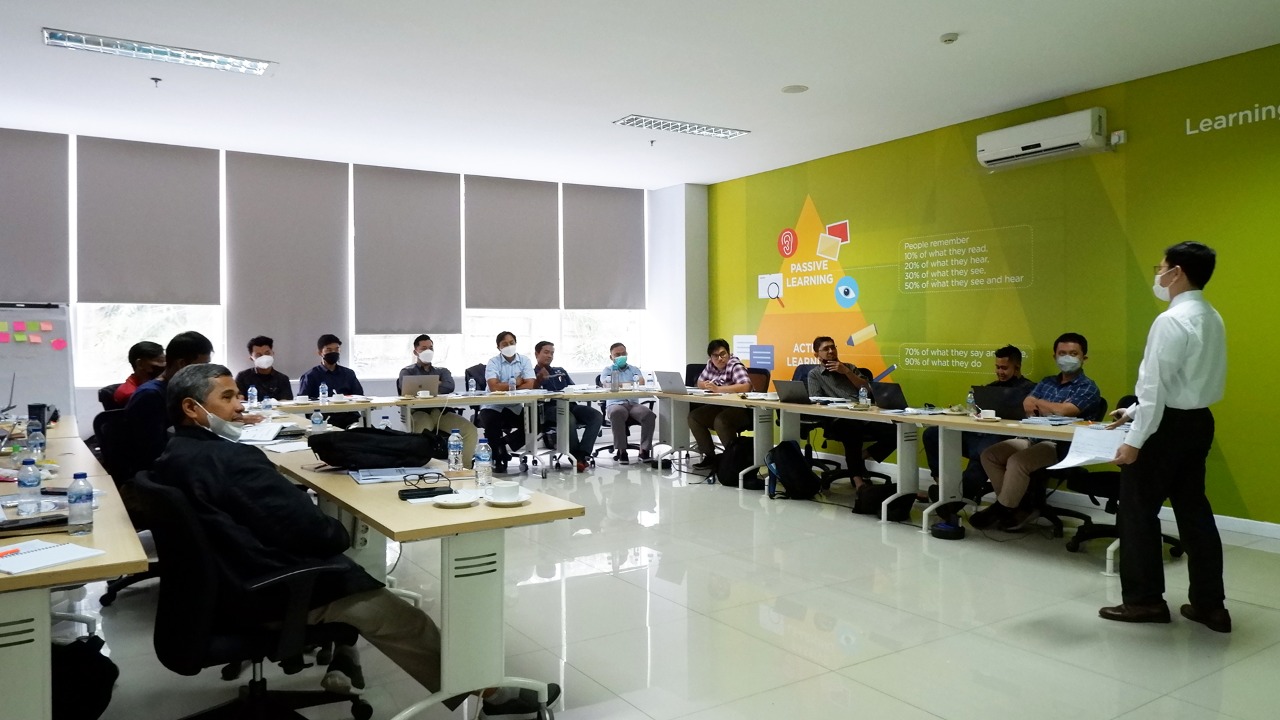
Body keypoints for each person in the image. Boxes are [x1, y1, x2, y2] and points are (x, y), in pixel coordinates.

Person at [153, 363, 559, 714]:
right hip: (266, 589)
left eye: (238, 395)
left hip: (221, 584)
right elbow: (319, 535)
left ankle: (350, 656)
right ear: (192, 407)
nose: (241, 405)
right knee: (402, 618)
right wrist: (332, 526)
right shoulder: (233, 459)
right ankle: (493, 695)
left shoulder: (174, 455)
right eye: (228, 397)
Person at [1099, 242, 1229, 631]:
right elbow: (1184, 382)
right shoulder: (1212, 317)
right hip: (1198, 423)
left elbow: (1155, 387)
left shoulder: (1170, 320)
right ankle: (1210, 605)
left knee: (1137, 512)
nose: (1158, 274)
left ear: (1177, 273)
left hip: (1163, 429)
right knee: (1194, 512)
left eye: (1161, 268)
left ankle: (1144, 602)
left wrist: (1133, 440)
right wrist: (1133, 411)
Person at [974, 332, 1101, 531]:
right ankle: (1017, 506)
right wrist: (1051, 407)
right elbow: (1027, 404)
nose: (1067, 358)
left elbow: (1065, 411)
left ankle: (1002, 509)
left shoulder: (1088, 387)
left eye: (1073, 353)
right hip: (1033, 438)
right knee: (990, 455)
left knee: (1017, 461)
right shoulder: (1046, 382)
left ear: (1084, 357)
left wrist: (1042, 404)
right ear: (1055, 356)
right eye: (1062, 353)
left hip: (1062, 445)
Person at [922, 345, 1036, 501]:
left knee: (983, 450)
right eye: (997, 367)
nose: (999, 372)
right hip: (979, 434)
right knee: (932, 434)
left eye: (1004, 368)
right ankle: (942, 485)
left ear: (1017, 367)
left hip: (1003, 438)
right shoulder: (990, 389)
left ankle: (959, 496)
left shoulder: (1030, 390)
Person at [803, 336, 897, 494]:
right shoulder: (815, 374)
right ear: (817, 355)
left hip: (863, 415)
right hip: (838, 418)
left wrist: (846, 372)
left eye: (833, 347)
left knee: (896, 431)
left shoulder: (849, 368)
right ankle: (858, 481)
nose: (831, 351)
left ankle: (861, 456)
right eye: (826, 349)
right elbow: (815, 400)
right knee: (851, 429)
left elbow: (868, 390)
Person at [118, 331, 213, 482]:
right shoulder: (150, 395)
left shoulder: (180, 389)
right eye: (202, 366)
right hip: (161, 472)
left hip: (181, 459)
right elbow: (152, 451)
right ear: (182, 364)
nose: (205, 373)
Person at [397, 334, 477, 467]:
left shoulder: (442, 371)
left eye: (431, 348)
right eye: (424, 348)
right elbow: (407, 389)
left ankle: (465, 468)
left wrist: (423, 385)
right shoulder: (407, 372)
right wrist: (437, 383)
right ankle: (417, 468)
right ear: (415, 352)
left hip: (441, 413)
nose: (428, 351)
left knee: (470, 431)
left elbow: (449, 386)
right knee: (418, 436)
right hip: (419, 413)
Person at [533, 341, 603, 472]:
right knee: (568, 417)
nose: (549, 356)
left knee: (596, 416)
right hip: (549, 409)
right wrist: (538, 380)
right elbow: (531, 394)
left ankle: (582, 454)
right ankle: (575, 457)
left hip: (570, 405)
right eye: (546, 352)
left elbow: (573, 388)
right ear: (537, 354)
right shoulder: (532, 374)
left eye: (552, 353)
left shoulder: (560, 371)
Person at [689, 339, 753, 469]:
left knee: (721, 421)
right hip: (721, 406)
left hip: (743, 409)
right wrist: (706, 385)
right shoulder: (710, 365)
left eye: (723, 354)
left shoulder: (735, 365)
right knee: (694, 417)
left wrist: (719, 389)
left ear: (728, 353)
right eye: (715, 355)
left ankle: (734, 460)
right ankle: (710, 457)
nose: (720, 358)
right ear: (710, 357)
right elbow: (699, 382)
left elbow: (746, 386)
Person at [478, 331, 537, 473]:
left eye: (511, 343)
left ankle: (502, 443)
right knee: (492, 423)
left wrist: (505, 385)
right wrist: (516, 382)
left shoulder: (524, 361)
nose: (509, 346)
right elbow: (493, 387)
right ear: (498, 347)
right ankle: (497, 458)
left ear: (516, 343)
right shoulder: (493, 362)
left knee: (535, 424)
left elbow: (530, 384)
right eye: (504, 344)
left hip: (514, 406)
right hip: (492, 406)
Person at [601, 342, 655, 464]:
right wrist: (630, 384)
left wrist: (620, 384)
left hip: (633, 404)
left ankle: (644, 450)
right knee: (617, 412)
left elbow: (641, 382)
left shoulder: (634, 369)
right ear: (611, 357)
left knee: (649, 414)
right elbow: (607, 384)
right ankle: (622, 451)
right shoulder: (607, 370)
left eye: (623, 353)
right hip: (615, 404)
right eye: (617, 355)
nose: (621, 356)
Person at [297, 334, 364, 429]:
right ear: (320, 353)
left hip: (349, 418)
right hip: (323, 420)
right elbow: (303, 402)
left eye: (337, 349)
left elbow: (359, 397)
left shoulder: (348, 374)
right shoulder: (310, 376)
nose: (334, 353)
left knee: (370, 432)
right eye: (329, 350)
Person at [234, 335, 294, 402]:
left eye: (267, 353)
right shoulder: (242, 377)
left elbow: (286, 402)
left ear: (273, 353)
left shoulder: (282, 379)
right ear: (251, 358)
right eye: (258, 355)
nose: (264, 357)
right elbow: (238, 400)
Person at [112, 341, 166, 407]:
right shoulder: (131, 394)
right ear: (140, 364)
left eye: (165, 360)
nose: (165, 364)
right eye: (160, 361)